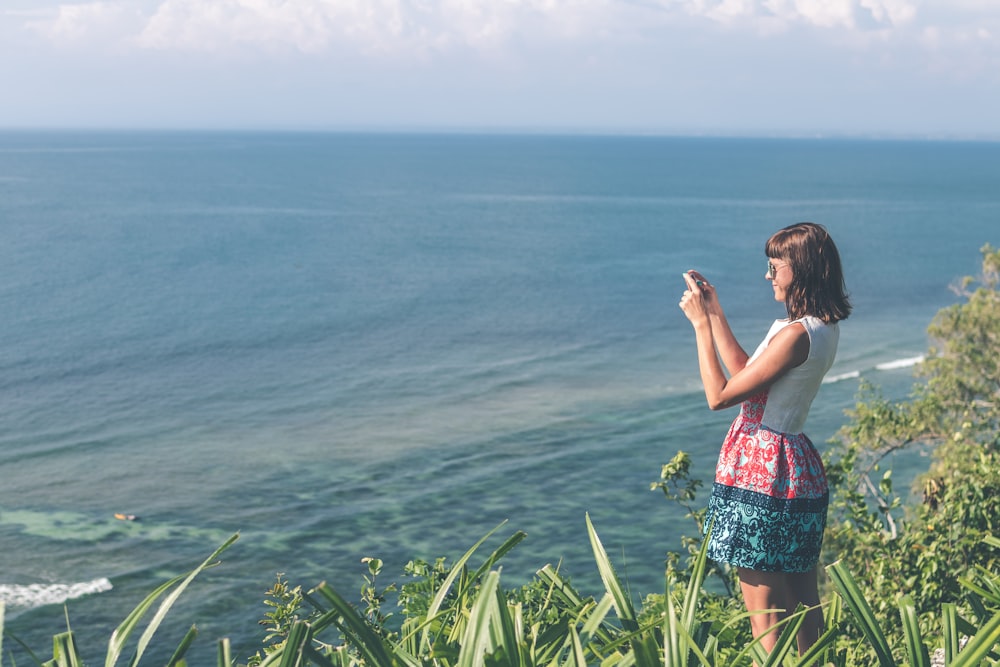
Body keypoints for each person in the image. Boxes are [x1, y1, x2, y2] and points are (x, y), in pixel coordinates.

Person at [678, 222, 851, 655]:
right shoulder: (817, 329)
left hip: (761, 473)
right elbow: (747, 376)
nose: (768, 276)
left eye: (776, 267)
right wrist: (715, 311)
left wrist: (700, 327)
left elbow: (720, 395)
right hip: (796, 468)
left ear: (803, 269)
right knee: (804, 608)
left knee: (766, 622)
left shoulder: (794, 335)